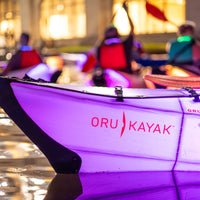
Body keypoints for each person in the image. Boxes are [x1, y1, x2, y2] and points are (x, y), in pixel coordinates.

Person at [96, 2, 134, 74]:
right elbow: (132, 29)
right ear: (118, 36)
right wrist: (127, 12)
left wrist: (114, 15)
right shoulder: (124, 45)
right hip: (124, 74)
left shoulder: (101, 46)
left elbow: (106, 31)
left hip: (108, 74)